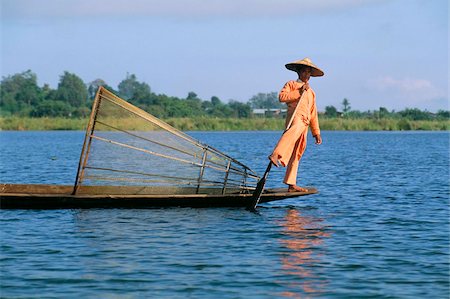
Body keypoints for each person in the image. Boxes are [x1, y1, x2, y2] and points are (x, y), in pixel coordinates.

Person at [268, 57, 324, 192]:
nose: (307, 75)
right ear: (299, 72)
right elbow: (282, 97)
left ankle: (291, 183)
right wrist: (299, 91)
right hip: (295, 118)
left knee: (297, 152)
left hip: (305, 122)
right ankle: (276, 154)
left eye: (309, 72)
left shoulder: (311, 92)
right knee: (292, 132)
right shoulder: (291, 84)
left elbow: (313, 113)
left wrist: (316, 132)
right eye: (304, 72)